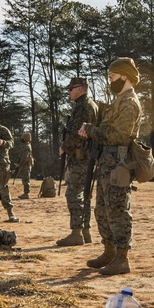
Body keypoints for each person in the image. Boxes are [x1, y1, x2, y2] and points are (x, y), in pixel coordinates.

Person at [79, 58, 142, 275]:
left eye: (112, 76)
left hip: (118, 164)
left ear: (124, 76)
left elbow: (119, 135)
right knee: (102, 210)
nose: (110, 80)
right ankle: (109, 251)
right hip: (107, 164)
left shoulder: (129, 103)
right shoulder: (118, 101)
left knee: (117, 211)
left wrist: (92, 130)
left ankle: (122, 258)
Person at [57, 77, 99, 246]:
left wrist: (64, 147)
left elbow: (76, 133)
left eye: (71, 89)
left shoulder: (83, 106)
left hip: (81, 156)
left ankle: (76, 233)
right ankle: (85, 232)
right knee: (85, 195)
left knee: (73, 194)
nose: (68, 92)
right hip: (86, 157)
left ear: (80, 89)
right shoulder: (89, 105)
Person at [13, 132, 35, 199]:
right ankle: (26, 193)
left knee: (26, 179)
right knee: (25, 179)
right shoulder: (27, 145)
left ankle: (26, 193)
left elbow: (24, 157)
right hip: (25, 164)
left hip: (25, 165)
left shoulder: (26, 146)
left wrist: (19, 164)